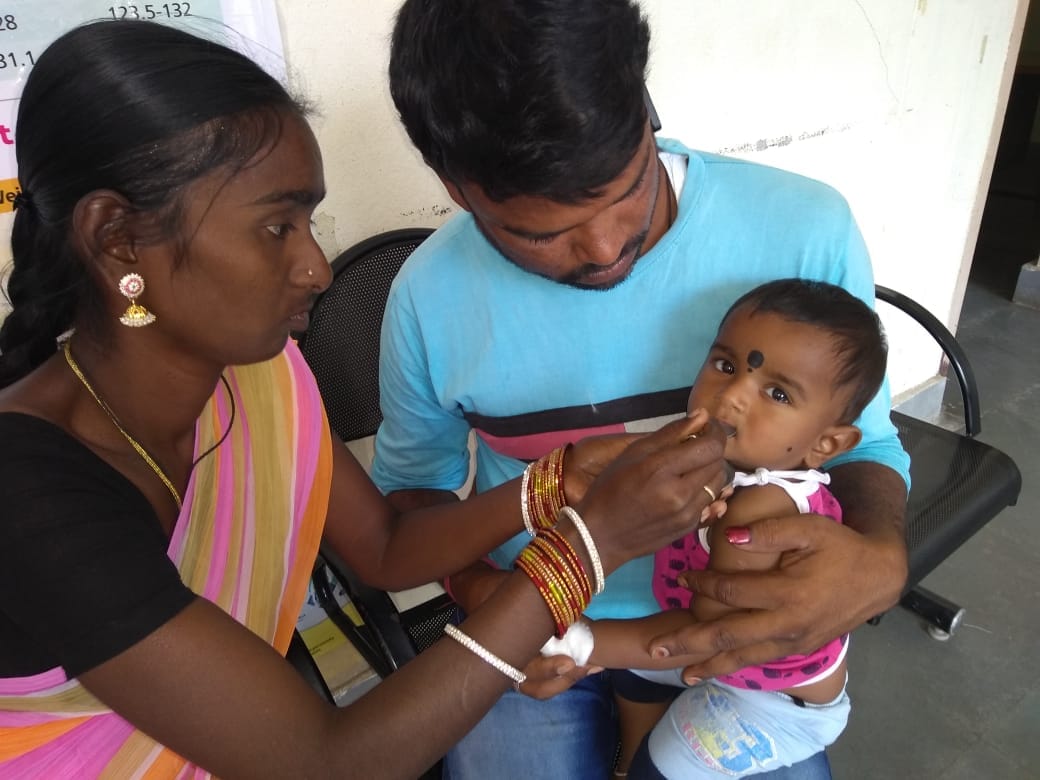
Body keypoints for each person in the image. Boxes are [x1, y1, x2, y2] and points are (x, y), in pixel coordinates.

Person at [0, 20, 731, 779]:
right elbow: (326, 762)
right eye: (277, 227)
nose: (316, 267)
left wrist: (559, 482)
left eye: (308, 222)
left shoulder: (259, 375)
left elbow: (384, 549)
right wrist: (591, 540)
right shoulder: (24, 488)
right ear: (117, 238)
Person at [378, 1, 912, 777]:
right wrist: (489, 596)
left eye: (625, 187)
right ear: (457, 189)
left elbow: (874, 441)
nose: (603, 248)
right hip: (537, 618)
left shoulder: (803, 228)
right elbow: (413, 495)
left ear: (643, 108)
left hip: (735, 646)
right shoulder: (428, 298)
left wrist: (882, 556)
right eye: (543, 231)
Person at [579, 278, 888, 778]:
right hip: (724, 661)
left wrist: (578, 643)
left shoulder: (758, 509)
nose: (734, 396)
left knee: (660, 766)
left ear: (826, 444)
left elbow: (705, 635)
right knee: (636, 675)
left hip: (770, 704)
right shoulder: (719, 459)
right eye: (726, 366)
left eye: (778, 393)